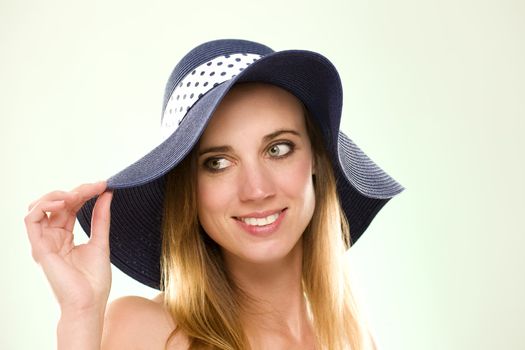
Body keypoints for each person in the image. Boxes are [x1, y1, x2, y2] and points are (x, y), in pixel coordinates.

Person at [24, 39, 404, 350]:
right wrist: (80, 314)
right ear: (188, 190)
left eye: (278, 149)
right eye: (218, 163)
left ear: (317, 160)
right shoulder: (148, 332)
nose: (257, 190)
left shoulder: (351, 339)